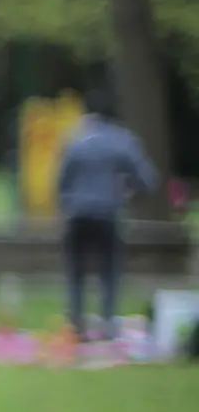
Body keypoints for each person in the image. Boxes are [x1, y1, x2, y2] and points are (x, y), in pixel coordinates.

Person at [57, 87, 158, 341]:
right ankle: (108, 324)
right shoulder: (122, 140)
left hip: (78, 213)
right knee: (110, 270)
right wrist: (129, 193)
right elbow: (148, 180)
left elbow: (61, 183)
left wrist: (70, 202)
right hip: (107, 213)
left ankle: (77, 323)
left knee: (76, 270)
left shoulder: (75, 139)